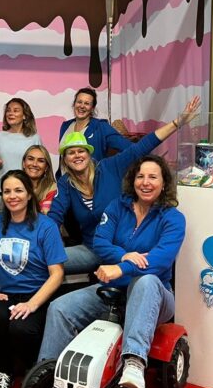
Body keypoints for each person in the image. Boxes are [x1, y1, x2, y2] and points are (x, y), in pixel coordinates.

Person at [38, 155, 186, 388]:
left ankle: (134, 363)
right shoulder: (118, 206)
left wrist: (122, 268)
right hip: (113, 290)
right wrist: (125, 256)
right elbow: (100, 242)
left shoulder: (173, 218)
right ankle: (45, 377)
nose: (145, 182)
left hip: (155, 296)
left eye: (153, 177)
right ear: (132, 181)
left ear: (164, 183)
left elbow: (161, 259)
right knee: (60, 308)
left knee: (146, 280)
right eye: (140, 176)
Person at [48, 96, 200, 274]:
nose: (77, 156)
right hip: (93, 249)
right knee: (41, 261)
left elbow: (142, 147)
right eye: (71, 153)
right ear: (65, 159)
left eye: (81, 151)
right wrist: (46, 244)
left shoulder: (110, 167)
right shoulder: (65, 183)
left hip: (124, 250)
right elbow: (54, 217)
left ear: (89, 154)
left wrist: (177, 122)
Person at [0, 170, 66, 388]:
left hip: (37, 295)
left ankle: (32, 375)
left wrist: (32, 304)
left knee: (21, 328)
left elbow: (57, 274)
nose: (12, 196)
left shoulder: (46, 226)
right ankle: (3, 373)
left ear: (29, 194)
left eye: (18, 190)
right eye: (7, 191)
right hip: (7, 293)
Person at [0, 98, 42, 219]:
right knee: (0, 226)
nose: (11, 113)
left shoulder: (34, 138)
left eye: (16, 110)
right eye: (8, 110)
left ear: (25, 115)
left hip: (23, 190)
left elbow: (41, 165)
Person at [58, 87, 131, 165]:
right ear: (74, 104)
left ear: (92, 108)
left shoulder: (101, 127)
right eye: (79, 102)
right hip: (65, 173)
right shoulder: (65, 126)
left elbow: (129, 148)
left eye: (87, 103)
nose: (82, 106)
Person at [21, 145, 57, 214]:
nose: (34, 164)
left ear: (46, 167)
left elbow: (47, 215)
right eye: (31, 159)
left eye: (40, 161)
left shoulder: (53, 189)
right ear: (23, 163)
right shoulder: (14, 185)